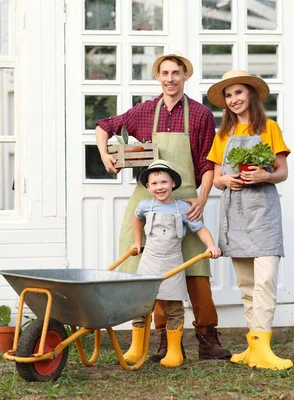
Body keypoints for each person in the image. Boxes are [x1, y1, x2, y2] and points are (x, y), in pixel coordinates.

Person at [95, 52, 231, 360]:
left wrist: (202, 197)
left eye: (176, 73)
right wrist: (105, 155)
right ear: (158, 76)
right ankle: (163, 341)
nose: (170, 78)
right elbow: (104, 126)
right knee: (150, 270)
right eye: (165, 73)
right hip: (146, 201)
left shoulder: (200, 115)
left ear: (186, 76)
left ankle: (208, 338)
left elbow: (208, 162)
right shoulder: (143, 112)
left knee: (197, 267)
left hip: (185, 200)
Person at [206, 69, 293, 370]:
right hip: (235, 212)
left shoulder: (270, 128)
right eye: (228, 96)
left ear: (251, 95)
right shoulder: (223, 134)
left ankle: (263, 345)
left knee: (265, 279)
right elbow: (216, 178)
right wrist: (225, 180)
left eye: (238, 93)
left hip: (264, 212)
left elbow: (282, 172)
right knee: (245, 283)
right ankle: (253, 347)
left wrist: (265, 175)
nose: (233, 100)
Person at [125, 160, 221, 368]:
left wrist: (211, 245)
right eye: (155, 183)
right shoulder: (144, 206)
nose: (160, 187)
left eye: (164, 182)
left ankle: (174, 351)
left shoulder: (183, 207)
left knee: (173, 307)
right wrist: (137, 241)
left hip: (173, 264)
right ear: (148, 187)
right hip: (149, 263)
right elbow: (136, 218)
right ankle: (136, 348)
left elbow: (200, 229)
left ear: (173, 184)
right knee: (141, 306)